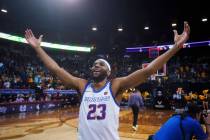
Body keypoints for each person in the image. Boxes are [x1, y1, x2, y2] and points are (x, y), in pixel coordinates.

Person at [24, 22, 190, 140]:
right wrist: (38, 48)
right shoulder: (83, 85)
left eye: (100, 64)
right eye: (94, 64)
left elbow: (148, 71)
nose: (95, 66)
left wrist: (175, 47)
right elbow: (56, 70)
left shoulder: (115, 85)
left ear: (108, 71)